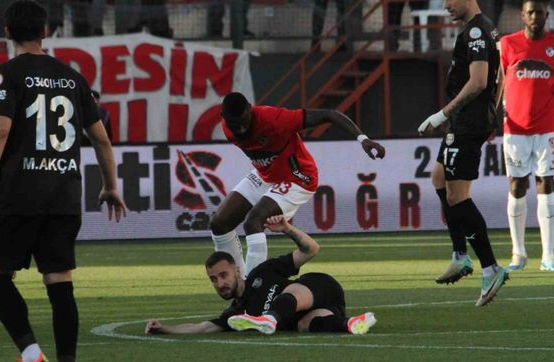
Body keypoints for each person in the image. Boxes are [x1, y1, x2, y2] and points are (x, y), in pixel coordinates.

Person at [0, 1, 127, 362]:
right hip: (65, 195)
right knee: (59, 281)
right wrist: (111, 186)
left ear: (7, 34)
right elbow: (101, 140)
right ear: (45, 32)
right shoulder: (73, 78)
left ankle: (33, 356)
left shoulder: (6, 74)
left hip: (21, 193)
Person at [210, 92, 385, 278]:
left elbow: (330, 114)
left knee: (254, 221)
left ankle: (253, 290)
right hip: (266, 174)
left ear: (251, 109)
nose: (242, 129)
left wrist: (363, 139)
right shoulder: (227, 127)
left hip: (298, 177)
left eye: (246, 122)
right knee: (219, 223)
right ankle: (238, 279)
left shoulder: (275, 119)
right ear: (223, 117)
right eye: (236, 125)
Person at [145, 215, 377, 336]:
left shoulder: (263, 272)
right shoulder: (237, 313)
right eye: (213, 279)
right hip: (322, 310)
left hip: (319, 287)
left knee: (290, 292)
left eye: (223, 275)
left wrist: (287, 229)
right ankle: (351, 323)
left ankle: (271, 319)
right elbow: (202, 327)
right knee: (304, 325)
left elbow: (311, 249)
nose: (220, 283)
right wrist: (164, 328)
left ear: (237, 270)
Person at [417, 0, 508, 307]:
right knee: (438, 177)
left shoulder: (476, 33)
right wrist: (493, 115)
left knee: (458, 196)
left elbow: (480, 81)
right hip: (470, 121)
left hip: (467, 123)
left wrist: (443, 113)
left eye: (449, 0)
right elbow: (501, 78)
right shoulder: (486, 28)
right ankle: (460, 254)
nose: (445, 6)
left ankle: (491, 267)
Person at [499, 0, 554, 271]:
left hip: (548, 129)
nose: (535, 16)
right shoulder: (509, 45)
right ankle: (518, 255)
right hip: (515, 130)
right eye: (530, 12)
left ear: (547, 15)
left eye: (540, 12)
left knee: (547, 184)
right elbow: (499, 83)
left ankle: (549, 256)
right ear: (522, 15)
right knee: (517, 186)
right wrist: (491, 118)